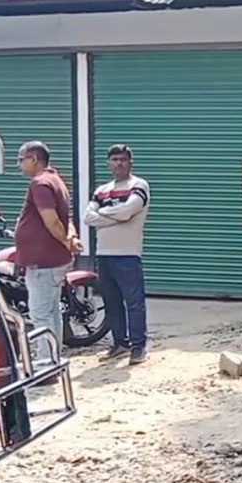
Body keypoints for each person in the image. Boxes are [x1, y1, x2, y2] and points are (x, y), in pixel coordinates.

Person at [84, 144, 151, 364]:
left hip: (128, 254)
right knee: (112, 303)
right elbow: (88, 217)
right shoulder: (101, 190)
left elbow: (128, 210)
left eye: (123, 159)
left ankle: (138, 346)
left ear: (130, 162)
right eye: (114, 160)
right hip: (104, 255)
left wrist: (105, 214)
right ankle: (120, 343)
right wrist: (117, 216)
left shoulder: (138, 185)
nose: (119, 163)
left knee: (134, 303)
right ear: (108, 163)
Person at [13, 141, 80, 347]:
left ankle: (46, 361)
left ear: (34, 159)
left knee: (40, 315)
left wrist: (66, 240)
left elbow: (52, 220)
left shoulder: (40, 183)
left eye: (21, 160)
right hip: (53, 261)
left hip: (43, 264)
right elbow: (66, 219)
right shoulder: (56, 180)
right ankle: (54, 358)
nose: (19, 165)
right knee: (52, 312)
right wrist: (71, 239)